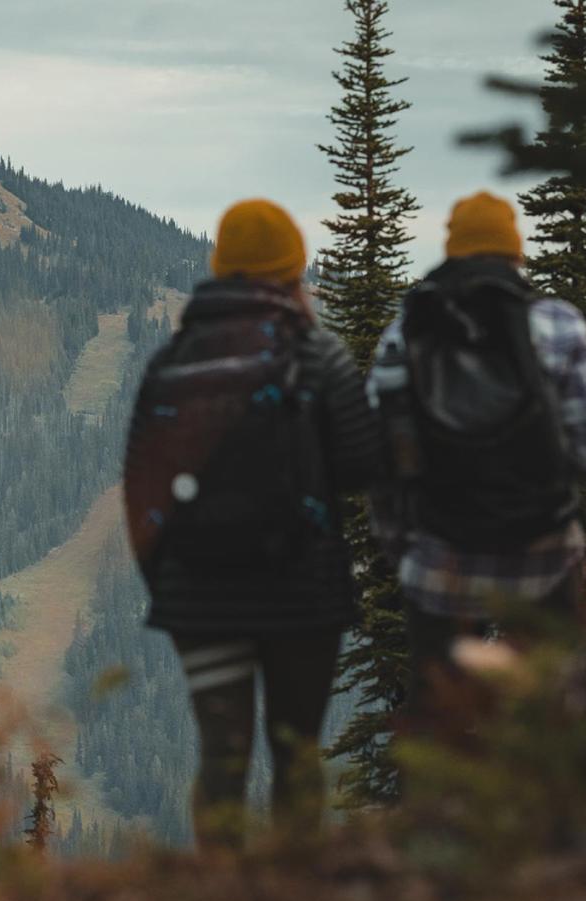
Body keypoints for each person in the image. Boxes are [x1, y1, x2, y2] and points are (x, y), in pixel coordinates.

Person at [123, 199, 382, 844]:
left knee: (222, 755)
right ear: (293, 269)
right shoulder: (318, 355)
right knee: (296, 751)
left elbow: (142, 492)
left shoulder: (171, 362)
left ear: (221, 267)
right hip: (302, 592)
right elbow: (362, 465)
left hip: (200, 600)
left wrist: (169, 585)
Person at [369, 191, 586, 726]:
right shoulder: (559, 326)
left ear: (453, 250)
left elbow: (380, 457)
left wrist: (404, 547)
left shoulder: (406, 331)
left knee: (440, 720)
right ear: (515, 251)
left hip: (439, 564)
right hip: (545, 560)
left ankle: (436, 805)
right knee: (556, 717)